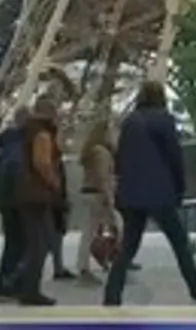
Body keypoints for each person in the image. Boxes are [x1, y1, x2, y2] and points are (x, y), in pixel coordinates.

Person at [103, 80, 196, 307]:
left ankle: (112, 295)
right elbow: (174, 157)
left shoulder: (130, 122)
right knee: (180, 244)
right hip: (159, 192)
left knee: (129, 246)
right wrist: (179, 188)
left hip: (132, 193)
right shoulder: (163, 119)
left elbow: (120, 157)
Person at [15, 95, 63, 306]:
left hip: (28, 194)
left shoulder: (28, 132)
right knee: (40, 243)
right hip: (37, 195)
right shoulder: (42, 134)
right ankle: (30, 290)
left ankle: (27, 286)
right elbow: (42, 162)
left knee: (37, 242)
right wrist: (54, 182)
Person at [0, 106, 29, 300]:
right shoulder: (21, 144)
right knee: (23, 243)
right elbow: (17, 170)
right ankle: (14, 283)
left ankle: (6, 284)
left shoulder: (9, 142)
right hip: (19, 199)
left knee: (12, 243)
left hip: (6, 199)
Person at [75, 118, 117, 284]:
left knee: (90, 231)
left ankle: (88, 264)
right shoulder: (101, 151)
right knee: (114, 226)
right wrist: (109, 197)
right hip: (98, 194)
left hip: (89, 192)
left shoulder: (92, 150)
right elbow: (102, 176)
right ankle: (89, 265)